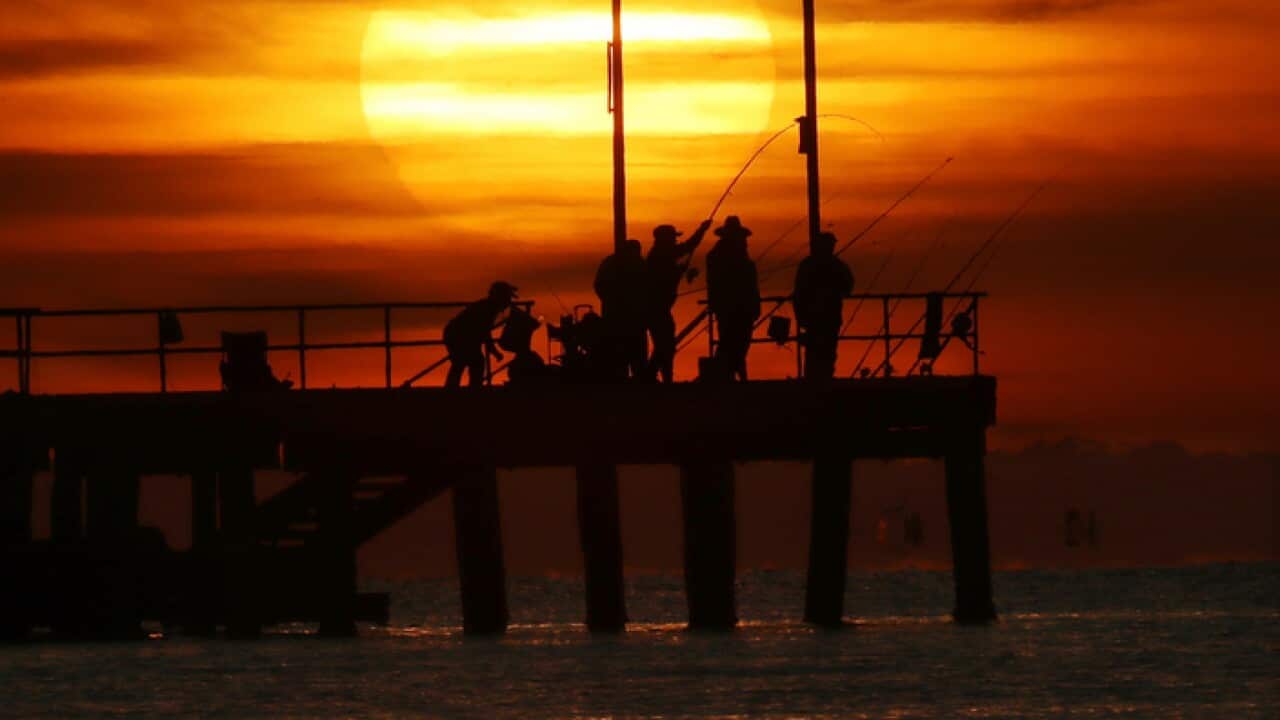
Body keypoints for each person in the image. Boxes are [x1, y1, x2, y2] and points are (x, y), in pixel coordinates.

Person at [646, 219, 711, 382]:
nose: (675, 241)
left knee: (664, 345)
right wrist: (702, 229)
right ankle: (653, 375)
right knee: (665, 345)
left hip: (658, 308)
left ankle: (659, 376)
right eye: (673, 238)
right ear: (665, 240)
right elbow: (689, 246)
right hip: (658, 309)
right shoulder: (661, 254)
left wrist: (679, 271)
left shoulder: (659, 255)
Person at [705, 216, 760, 381]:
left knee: (734, 342)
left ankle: (729, 375)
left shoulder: (717, 256)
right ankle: (730, 375)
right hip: (734, 307)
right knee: (735, 343)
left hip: (734, 307)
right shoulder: (724, 257)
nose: (744, 241)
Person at [793, 231, 854, 380]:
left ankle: (815, 381)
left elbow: (798, 294)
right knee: (827, 352)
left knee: (816, 352)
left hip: (815, 318)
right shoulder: (837, 266)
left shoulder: (807, 265)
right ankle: (824, 380)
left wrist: (800, 317)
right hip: (828, 318)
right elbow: (848, 288)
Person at [443, 281, 517, 387]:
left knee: (466, 362)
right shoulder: (488, 309)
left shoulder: (488, 307)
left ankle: (458, 389)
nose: (508, 302)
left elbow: (483, 331)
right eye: (507, 298)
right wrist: (494, 351)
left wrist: (492, 350)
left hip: (461, 335)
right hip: (459, 335)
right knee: (468, 361)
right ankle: (470, 389)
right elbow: (484, 331)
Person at [593, 239, 649, 380]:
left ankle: (637, 378)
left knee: (635, 353)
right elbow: (600, 286)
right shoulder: (616, 264)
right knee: (623, 352)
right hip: (621, 318)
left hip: (631, 318)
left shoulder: (638, 264)